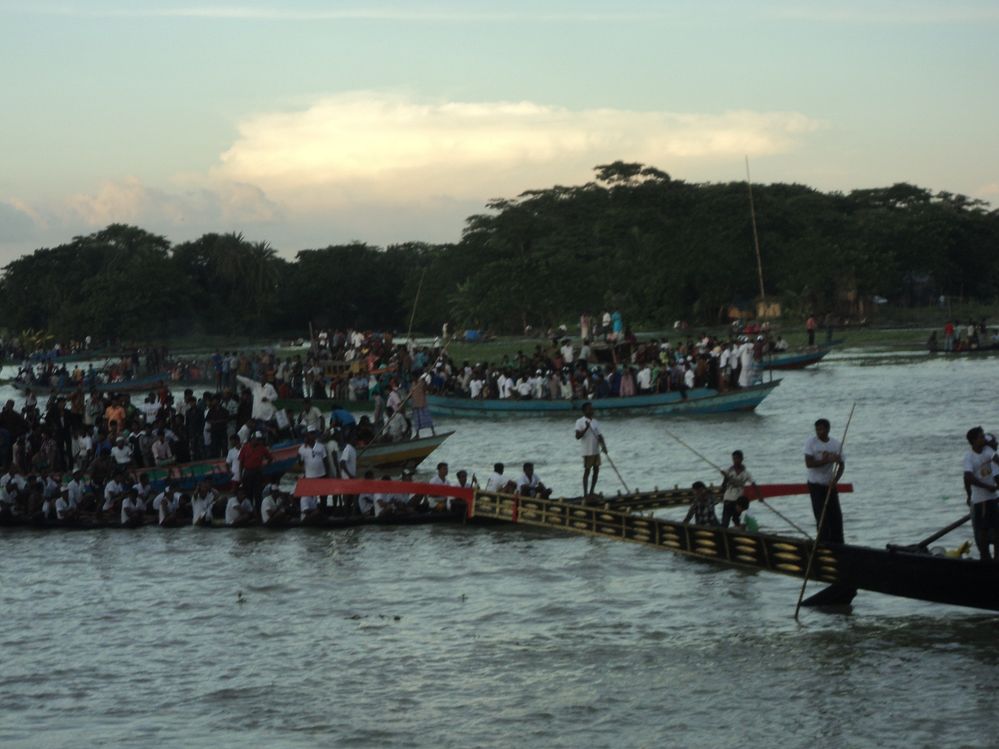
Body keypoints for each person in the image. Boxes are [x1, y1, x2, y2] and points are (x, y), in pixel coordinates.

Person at [804, 418, 845, 543]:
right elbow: (809, 463)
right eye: (817, 429)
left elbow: (841, 465)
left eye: (821, 429)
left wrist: (835, 480)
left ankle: (838, 542)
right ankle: (822, 542)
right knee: (821, 516)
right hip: (815, 484)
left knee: (836, 516)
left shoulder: (836, 444)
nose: (819, 432)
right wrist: (827, 460)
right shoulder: (811, 442)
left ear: (827, 429)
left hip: (829, 484)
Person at [963, 426, 999, 561]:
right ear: (974, 440)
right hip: (980, 500)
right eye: (981, 437)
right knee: (983, 531)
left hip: (993, 498)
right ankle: (985, 559)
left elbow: (996, 459)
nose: (984, 439)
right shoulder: (969, 457)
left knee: (997, 530)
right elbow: (968, 478)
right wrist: (970, 494)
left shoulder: (987, 450)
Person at [574, 402, 606, 496]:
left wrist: (604, 447)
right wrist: (586, 428)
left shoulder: (595, 422)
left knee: (596, 470)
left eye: (592, 408)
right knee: (587, 471)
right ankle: (585, 494)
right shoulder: (580, 421)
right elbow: (577, 436)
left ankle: (592, 491)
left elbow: (600, 436)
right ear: (584, 411)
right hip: (587, 451)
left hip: (596, 450)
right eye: (589, 409)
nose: (592, 410)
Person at [720, 450, 758, 527]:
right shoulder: (729, 471)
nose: (735, 461)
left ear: (741, 459)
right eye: (734, 459)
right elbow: (723, 485)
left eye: (737, 458)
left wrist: (759, 496)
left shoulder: (746, 473)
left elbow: (754, 484)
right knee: (725, 520)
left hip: (738, 501)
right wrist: (726, 478)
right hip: (728, 498)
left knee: (736, 519)